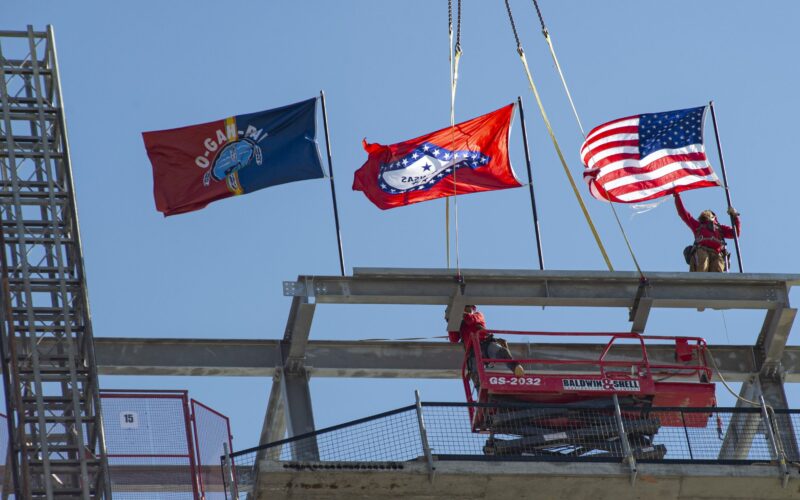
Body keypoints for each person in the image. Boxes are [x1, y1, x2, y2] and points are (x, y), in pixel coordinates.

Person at [448, 305, 525, 378]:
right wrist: (451, 323)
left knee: (501, 352)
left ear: (472, 309)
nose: (465, 310)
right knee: (476, 375)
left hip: (486, 343)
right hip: (473, 352)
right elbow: (454, 339)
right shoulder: (461, 325)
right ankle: (480, 388)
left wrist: (457, 313)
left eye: (467, 308)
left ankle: (516, 367)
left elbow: (470, 319)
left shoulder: (478, 315)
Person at [673, 192, 741, 272]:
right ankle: (699, 282)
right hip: (702, 250)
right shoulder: (698, 226)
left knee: (718, 270)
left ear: (714, 217)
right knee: (702, 263)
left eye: (710, 213)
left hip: (717, 253)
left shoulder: (720, 228)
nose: (707, 213)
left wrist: (735, 216)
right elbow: (683, 213)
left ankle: (715, 283)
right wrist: (677, 197)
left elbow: (735, 233)